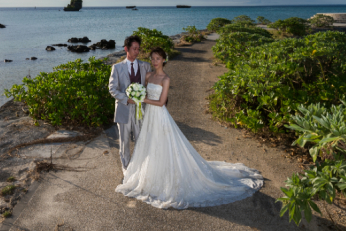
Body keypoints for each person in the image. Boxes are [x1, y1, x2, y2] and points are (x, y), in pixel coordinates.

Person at [115, 47, 263, 209]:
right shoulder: (148, 76)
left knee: (163, 144)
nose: (155, 61)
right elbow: (144, 91)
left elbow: (161, 102)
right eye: (153, 58)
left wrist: (142, 100)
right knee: (150, 144)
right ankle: (151, 174)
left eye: (158, 58)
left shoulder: (166, 78)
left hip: (159, 115)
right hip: (149, 115)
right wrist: (137, 95)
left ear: (164, 60)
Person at [108, 35, 152, 173]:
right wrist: (126, 99)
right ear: (126, 49)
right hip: (123, 109)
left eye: (138, 49)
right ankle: (126, 169)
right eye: (134, 49)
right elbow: (112, 89)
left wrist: (145, 95)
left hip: (140, 110)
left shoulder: (146, 66)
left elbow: (149, 87)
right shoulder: (117, 67)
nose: (137, 52)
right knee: (124, 141)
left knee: (141, 140)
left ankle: (140, 169)